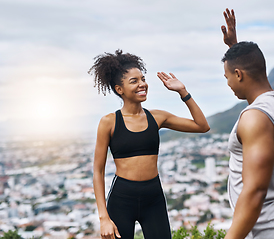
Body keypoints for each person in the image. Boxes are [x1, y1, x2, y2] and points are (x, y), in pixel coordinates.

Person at [89, 49, 210, 239]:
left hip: (153, 197)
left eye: (143, 79)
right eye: (134, 81)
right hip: (122, 199)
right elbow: (98, 171)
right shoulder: (109, 122)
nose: (142, 84)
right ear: (119, 89)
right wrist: (103, 217)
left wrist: (183, 92)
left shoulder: (157, 117)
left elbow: (202, 126)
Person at [220, 9, 274, 239]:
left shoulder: (254, 118)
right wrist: (234, 48)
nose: (228, 83)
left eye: (227, 76)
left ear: (238, 75)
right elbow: (248, 68)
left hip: (268, 230)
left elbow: (255, 191)